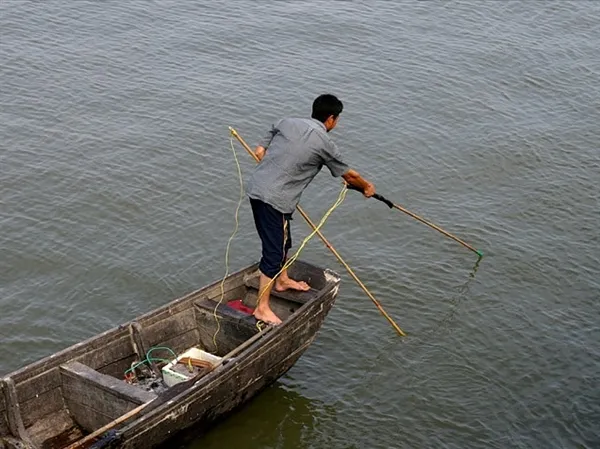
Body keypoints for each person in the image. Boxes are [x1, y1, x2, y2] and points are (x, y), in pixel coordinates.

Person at [246, 94, 375, 325]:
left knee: (284, 241)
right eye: (337, 119)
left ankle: (282, 280)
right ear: (331, 119)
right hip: (273, 200)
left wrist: (264, 155)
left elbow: (262, 145)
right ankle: (261, 308)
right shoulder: (325, 143)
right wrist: (366, 187)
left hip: (259, 189)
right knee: (273, 253)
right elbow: (350, 175)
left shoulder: (287, 122)